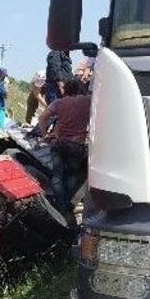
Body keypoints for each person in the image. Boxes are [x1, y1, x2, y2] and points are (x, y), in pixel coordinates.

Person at [36, 78, 91, 213]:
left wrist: (44, 135)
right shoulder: (88, 101)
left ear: (66, 89)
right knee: (73, 175)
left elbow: (42, 118)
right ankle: (67, 204)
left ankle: (59, 204)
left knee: (57, 175)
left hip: (58, 143)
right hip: (76, 145)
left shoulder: (59, 103)